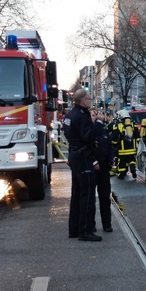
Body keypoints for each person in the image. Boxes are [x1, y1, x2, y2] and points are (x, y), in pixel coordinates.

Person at [62, 89, 102, 242]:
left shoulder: (70, 115)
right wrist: (97, 122)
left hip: (74, 155)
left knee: (77, 193)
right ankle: (86, 230)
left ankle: (74, 228)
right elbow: (89, 136)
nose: (90, 101)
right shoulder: (82, 116)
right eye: (89, 99)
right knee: (88, 194)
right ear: (83, 101)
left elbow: (69, 133)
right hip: (83, 156)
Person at [91, 109, 115, 232]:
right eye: (93, 115)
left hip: (104, 167)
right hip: (93, 167)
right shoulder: (89, 130)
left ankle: (107, 224)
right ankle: (91, 225)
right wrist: (94, 161)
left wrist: (111, 158)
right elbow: (87, 148)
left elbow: (109, 145)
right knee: (90, 198)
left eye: (97, 115)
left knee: (105, 196)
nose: (96, 117)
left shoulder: (103, 130)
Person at [111, 109, 139, 180]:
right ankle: (133, 168)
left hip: (122, 149)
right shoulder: (132, 124)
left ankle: (122, 174)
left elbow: (114, 136)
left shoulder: (118, 125)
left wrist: (114, 144)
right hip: (132, 148)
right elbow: (137, 134)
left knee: (122, 161)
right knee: (132, 159)